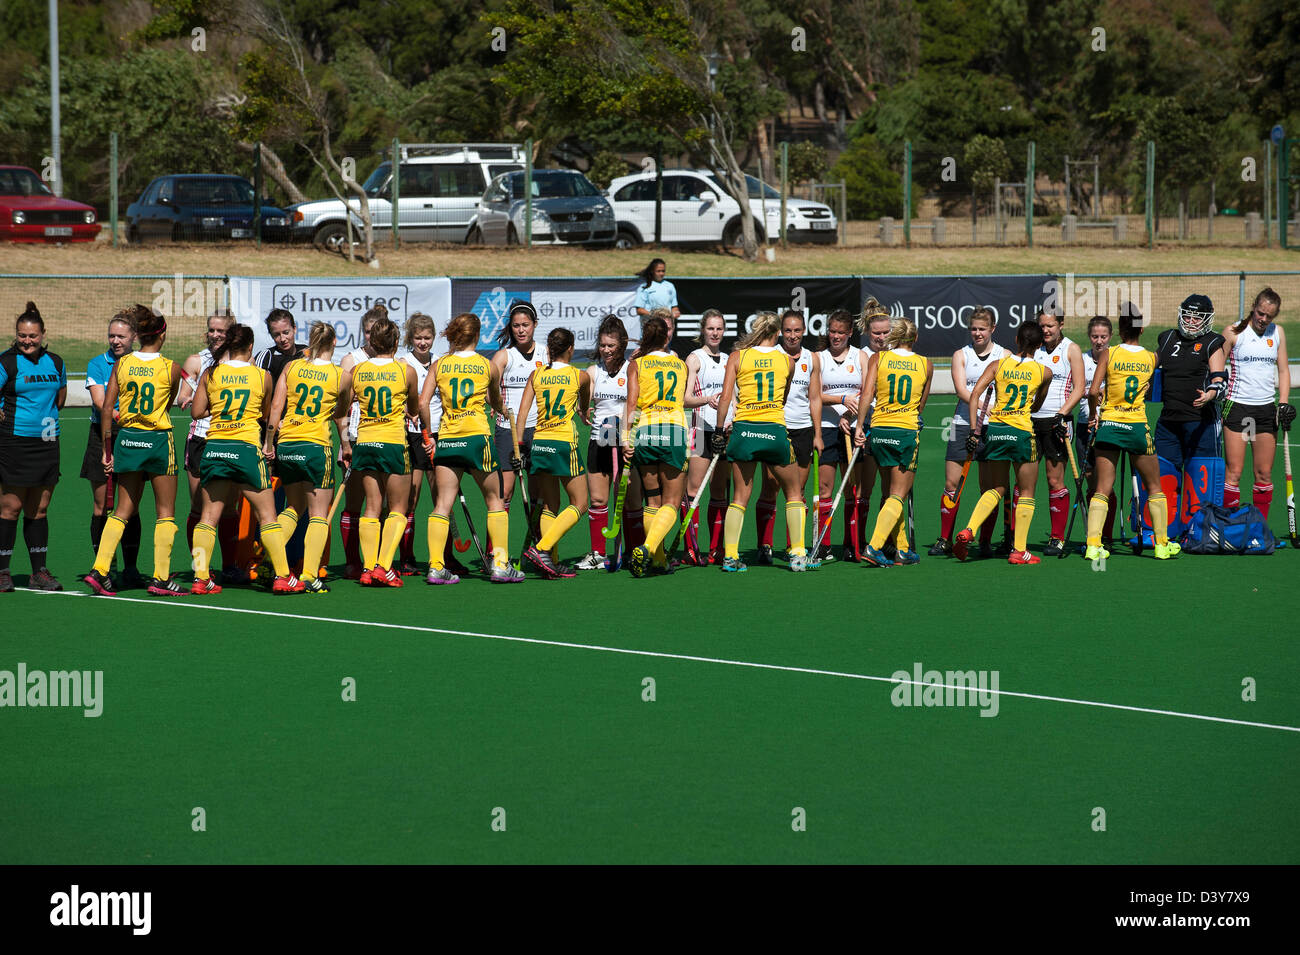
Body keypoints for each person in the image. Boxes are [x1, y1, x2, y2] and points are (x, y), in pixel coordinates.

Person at [189, 323, 304, 595]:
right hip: (246, 450)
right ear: (250, 347)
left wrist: (219, 412)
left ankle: (200, 576)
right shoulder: (262, 376)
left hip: (215, 446)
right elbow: (264, 414)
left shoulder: (211, 373)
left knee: (207, 518)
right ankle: (283, 576)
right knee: (267, 516)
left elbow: (196, 411)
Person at [82, 305, 186, 597]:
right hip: (157, 441)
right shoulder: (171, 367)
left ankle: (99, 570)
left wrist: (106, 450)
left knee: (121, 510)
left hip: (127, 440)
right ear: (162, 334)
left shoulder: (122, 364)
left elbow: (106, 409)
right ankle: (161, 578)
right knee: (165, 512)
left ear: (138, 335)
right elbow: (167, 403)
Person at [419, 312, 522, 583]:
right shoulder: (488, 366)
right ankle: (500, 564)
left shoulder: (439, 365)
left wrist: (428, 436)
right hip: (477, 439)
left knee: (442, 504)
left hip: (449, 440)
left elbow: (422, 403)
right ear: (476, 336)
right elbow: (496, 402)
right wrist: (502, 411)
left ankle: (436, 567)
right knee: (495, 502)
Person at [715, 310, 819, 572]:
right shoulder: (788, 362)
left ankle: (730, 557)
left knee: (739, 497)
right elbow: (782, 399)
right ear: (777, 333)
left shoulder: (738, 357)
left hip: (744, 431)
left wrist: (718, 430)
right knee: (794, 492)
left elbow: (726, 397)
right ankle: (797, 555)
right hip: (774, 430)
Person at [1083, 305, 1182, 560]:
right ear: (1141, 328)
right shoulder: (1150, 358)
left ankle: (1093, 546)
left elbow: (1093, 392)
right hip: (1137, 426)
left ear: (1119, 329)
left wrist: (1095, 414)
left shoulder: (1109, 353)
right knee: (1155, 487)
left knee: (1102, 488)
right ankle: (1162, 544)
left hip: (1110, 425)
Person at [952, 321, 1052, 565]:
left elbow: (974, 394)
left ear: (1016, 340)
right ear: (1039, 345)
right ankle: (1019, 550)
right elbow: (1037, 406)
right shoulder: (1044, 372)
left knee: (996, 489)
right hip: (1021, 432)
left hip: (995, 430)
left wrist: (976, 430)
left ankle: (970, 529)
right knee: (1026, 491)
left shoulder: (998, 364)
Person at [262, 321, 347, 595]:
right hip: (316, 446)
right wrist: (347, 447)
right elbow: (341, 414)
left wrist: (269, 442)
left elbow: (276, 407)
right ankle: (309, 575)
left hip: (287, 445)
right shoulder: (340, 375)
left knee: (294, 507)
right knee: (318, 514)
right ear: (333, 343)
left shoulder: (291, 367)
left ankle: (274, 568)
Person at [343, 314, 420, 587]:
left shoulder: (358, 371)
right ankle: (384, 566)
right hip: (393, 444)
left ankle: (367, 567)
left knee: (371, 508)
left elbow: (343, 406)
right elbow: (414, 407)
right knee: (398, 508)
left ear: (372, 342)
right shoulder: (405, 370)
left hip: (365, 443)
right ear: (397, 342)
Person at [855, 316, 933, 566]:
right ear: (916, 338)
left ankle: (902, 549)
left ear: (894, 337)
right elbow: (920, 405)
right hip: (905, 433)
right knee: (899, 494)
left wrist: (859, 425)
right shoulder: (925, 365)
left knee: (890, 493)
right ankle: (874, 546)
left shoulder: (878, 358)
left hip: (878, 431)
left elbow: (867, 394)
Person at [0, 302, 67, 592]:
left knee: (39, 508)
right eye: (22, 336)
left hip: (48, 442)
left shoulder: (56, 362)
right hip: (14, 442)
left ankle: (38, 572)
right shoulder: (6, 362)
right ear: (16, 335)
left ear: (42, 335)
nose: (27, 341)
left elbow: (60, 397)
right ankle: (2, 571)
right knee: (10, 508)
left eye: (33, 336)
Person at [397, 312, 467, 577]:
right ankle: (407, 557)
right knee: (411, 499)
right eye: (418, 338)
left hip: (441, 433)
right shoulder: (404, 364)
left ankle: (446, 556)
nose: (423, 343)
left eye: (427, 338)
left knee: (442, 497)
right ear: (410, 338)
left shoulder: (441, 363)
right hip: (415, 436)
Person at [930, 306, 1004, 557]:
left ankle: (984, 541)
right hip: (962, 423)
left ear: (992, 328)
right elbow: (961, 389)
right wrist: (983, 406)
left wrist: (993, 412)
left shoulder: (1004, 355)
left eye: (982, 329)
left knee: (988, 487)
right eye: (973, 328)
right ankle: (944, 539)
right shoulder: (961, 354)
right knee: (952, 483)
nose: (977, 333)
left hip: (994, 425)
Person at [519, 327, 592, 578]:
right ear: (570, 349)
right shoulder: (580, 376)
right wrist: (583, 411)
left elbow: (522, 412)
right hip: (563, 444)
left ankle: (550, 562)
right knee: (580, 504)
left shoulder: (536, 374)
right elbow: (585, 403)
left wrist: (519, 444)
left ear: (549, 350)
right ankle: (542, 549)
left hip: (540, 443)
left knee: (551, 506)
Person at [623, 315, 690, 577]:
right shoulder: (680, 364)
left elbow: (631, 403)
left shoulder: (636, 364)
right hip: (672, 430)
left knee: (652, 499)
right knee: (671, 503)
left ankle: (659, 561)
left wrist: (626, 438)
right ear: (666, 337)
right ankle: (649, 548)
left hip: (645, 432)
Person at [754, 310, 821, 564]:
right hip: (776, 428)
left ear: (804, 331)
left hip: (803, 430)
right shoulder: (773, 355)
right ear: (781, 331)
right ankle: (765, 545)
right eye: (788, 330)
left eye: (797, 330)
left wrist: (817, 433)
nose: (792, 335)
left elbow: (814, 398)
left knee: (798, 491)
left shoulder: (811, 358)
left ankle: (795, 547)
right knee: (770, 487)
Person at [578, 314, 644, 570]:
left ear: (622, 345)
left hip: (625, 442)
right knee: (598, 500)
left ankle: (633, 552)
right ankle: (597, 553)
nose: (606, 350)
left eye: (611, 346)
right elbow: (584, 400)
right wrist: (582, 410)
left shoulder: (632, 369)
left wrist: (627, 436)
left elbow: (636, 405)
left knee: (630, 500)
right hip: (599, 441)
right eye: (603, 345)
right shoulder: (594, 372)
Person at [178, 309, 239, 580]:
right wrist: (188, 397)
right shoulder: (196, 360)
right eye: (211, 330)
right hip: (201, 439)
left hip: (231, 438)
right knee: (197, 507)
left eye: (221, 331)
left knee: (229, 507)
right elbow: (183, 396)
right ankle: (199, 567)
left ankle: (230, 566)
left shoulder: (242, 362)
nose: (214, 335)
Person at [1221, 288, 1292, 519]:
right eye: (1260, 313)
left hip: (1265, 410)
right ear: (1253, 307)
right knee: (1234, 473)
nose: (1263, 319)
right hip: (1237, 407)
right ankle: (1230, 526)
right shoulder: (1233, 332)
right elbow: (1216, 367)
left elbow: (1283, 370)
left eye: (1269, 316)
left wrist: (1282, 403)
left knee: (1263, 474)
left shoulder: (1277, 333)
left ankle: (1258, 528)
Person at [83, 314, 138, 581]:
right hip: (102, 434)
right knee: (101, 505)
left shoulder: (139, 364)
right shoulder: (97, 364)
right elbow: (100, 402)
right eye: (111, 336)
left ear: (133, 338)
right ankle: (103, 567)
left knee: (131, 504)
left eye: (121, 336)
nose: (115, 341)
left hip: (131, 436)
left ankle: (130, 568)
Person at [1030, 305, 1086, 557]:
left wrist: (1062, 413)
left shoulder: (1071, 349)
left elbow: (1079, 388)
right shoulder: (1034, 349)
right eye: (1042, 326)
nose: (1045, 330)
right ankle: (1016, 538)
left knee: (1054, 480)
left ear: (1061, 325)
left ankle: (1057, 538)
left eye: (1050, 326)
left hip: (1057, 421)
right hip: (1030, 421)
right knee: (1025, 481)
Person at [811, 308, 863, 563]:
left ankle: (852, 544)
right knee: (825, 489)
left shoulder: (860, 356)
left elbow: (869, 391)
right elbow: (815, 394)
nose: (836, 336)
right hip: (828, 429)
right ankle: (823, 544)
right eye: (832, 331)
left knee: (853, 487)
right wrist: (841, 400)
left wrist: (850, 416)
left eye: (841, 332)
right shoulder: (819, 358)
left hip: (853, 429)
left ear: (850, 333)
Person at [338, 304, 384, 578]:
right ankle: (353, 561)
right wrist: (345, 443)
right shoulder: (350, 360)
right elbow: (340, 410)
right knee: (355, 503)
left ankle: (378, 561)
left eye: (376, 331)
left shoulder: (394, 361)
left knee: (383, 504)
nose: (371, 337)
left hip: (386, 439)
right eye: (367, 332)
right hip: (356, 438)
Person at [682, 308, 730, 565]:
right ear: (703, 330)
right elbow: (685, 399)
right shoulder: (694, 358)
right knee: (694, 491)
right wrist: (707, 399)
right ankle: (691, 548)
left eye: (719, 328)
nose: (715, 333)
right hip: (700, 430)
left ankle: (717, 549)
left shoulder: (729, 358)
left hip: (724, 430)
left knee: (720, 491)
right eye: (711, 328)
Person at [491, 301, 548, 517]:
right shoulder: (504, 356)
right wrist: (499, 407)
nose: (521, 330)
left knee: (537, 491)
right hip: (508, 429)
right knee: (505, 492)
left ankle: (536, 547)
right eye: (516, 326)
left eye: (525, 325)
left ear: (534, 324)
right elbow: (490, 390)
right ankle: (495, 550)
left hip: (539, 428)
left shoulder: (545, 353)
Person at [1078, 316, 1118, 549]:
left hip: (1108, 425)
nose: (1099, 341)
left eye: (1103, 337)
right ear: (1089, 336)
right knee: (1091, 484)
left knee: (1107, 484)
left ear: (1110, 336)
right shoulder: (1082, 359)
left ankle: (1108, 536)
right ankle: (1093, 535)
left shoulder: (1115, 357)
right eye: (1095, 336)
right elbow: (1076, 389)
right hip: (1085, 424)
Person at [254, 307, 307, 382]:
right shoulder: (266, 356)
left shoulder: (307, 353)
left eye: (286, 333)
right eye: (276, 335)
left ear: (294, 329)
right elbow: (257, 386)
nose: (282, 339)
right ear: (271, 335)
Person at [633, 258, 680, 323]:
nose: (661, 273)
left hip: (667, 324)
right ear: (652, 271)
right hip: (649, 325)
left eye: (663, 271)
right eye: (658, 271)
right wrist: (655, 315)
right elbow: (639, 310)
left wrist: (675, 313)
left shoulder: (670, 286)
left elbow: (674, 307)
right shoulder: (644, 287)